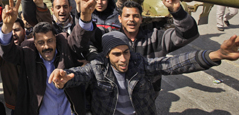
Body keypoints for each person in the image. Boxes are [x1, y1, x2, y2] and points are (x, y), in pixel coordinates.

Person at [49, 31, 239, 115]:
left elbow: (173, 63)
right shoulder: (98, 66)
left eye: (126, 52)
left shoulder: (139, 63)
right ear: (106, 55)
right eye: (116, 54)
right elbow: (80, 74)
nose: (123, 59)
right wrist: (65, 77)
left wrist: (216, 54)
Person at [0, 0, 96, 115]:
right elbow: (7, 53)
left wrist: (85, 15)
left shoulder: (64, 41)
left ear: (56, 38)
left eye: (50, 41)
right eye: (41, 43)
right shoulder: (27, 51)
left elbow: (79, 39)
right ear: (34, 43)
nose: (46, 46)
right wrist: (7, 27)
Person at [116, 0, 200, 94]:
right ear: (120, 19)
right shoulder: (112, 39)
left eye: (135, 16)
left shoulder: (155, 38)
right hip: (119, 93)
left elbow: (188, 34)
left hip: (147, 94)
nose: (131, 20)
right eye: (127, 16)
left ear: (141, 19)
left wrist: (177, 12)